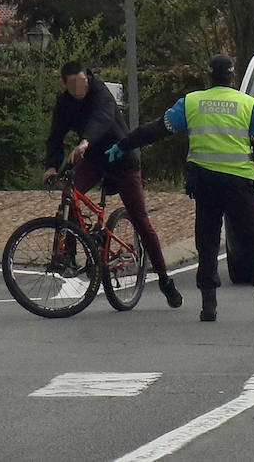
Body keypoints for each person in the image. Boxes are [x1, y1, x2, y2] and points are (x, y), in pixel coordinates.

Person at [110, 54, 254, 322]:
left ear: (208, 76)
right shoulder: (248, 104)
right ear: (232, 76)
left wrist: (124, 144)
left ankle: (208, 305)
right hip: (238, 183)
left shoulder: (191, 102)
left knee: (207, 243)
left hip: (205, 182)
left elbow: (156, 130)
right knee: (253, 242)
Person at [42, 61, 183, 309]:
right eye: (74, 85)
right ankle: (69, 257)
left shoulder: (101, 93)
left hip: (121, 158)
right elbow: (55, 136)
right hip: (94, 161)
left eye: (83, 82)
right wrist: (51, 166)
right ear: (65, 84)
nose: (80, 88)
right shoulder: (64, 103)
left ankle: (164, 279)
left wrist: (85, 141)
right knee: (69, 195)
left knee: (141, 221)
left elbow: (102, 119)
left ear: (88, 78)